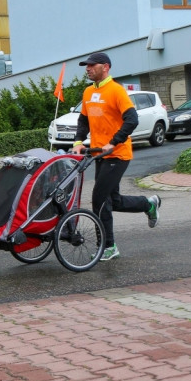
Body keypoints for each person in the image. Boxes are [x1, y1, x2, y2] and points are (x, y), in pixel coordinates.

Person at [69, 52, 161, 262]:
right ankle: (148, 205)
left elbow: (132, 119)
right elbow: (83, 121)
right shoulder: (88, 92)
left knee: (99, 199)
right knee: (114, 201)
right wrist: (77, 143)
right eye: (86, 66)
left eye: (92, 65)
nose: (88, 68)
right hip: (99, 153)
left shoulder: (117, 91)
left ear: (106, 67)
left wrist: (114, 141)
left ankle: (108, 246)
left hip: (117, 154)